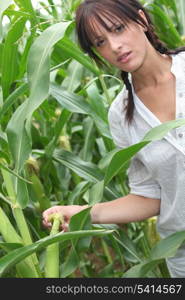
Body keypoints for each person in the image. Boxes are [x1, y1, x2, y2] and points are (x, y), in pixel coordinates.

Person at [42, 0, 185, 278]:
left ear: (142, 21)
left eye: (118, 28)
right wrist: (82, 212)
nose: (115, 46)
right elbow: (150, 197)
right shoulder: (121, 115)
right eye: (100, 42)